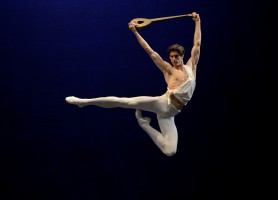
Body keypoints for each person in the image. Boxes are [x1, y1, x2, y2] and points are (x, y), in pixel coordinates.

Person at [65, 12, 201, 156]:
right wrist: (135, 32)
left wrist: (197, 22)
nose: (173, 59)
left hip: (170, 113)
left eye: (176, 56)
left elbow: (197, 43)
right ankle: (84, 102)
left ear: (182, 56)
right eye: (171, 56)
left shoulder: (191, 66)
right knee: (126, 102)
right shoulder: (168, 70)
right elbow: (151, 52)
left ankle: (144, 125)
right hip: (163, 104)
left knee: (170, 151)